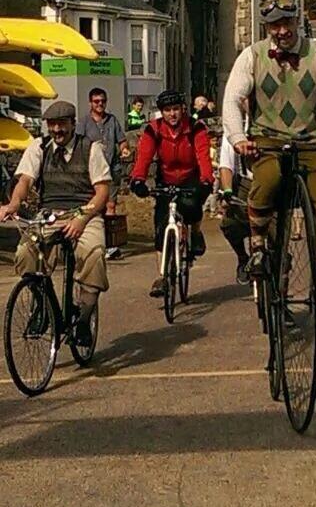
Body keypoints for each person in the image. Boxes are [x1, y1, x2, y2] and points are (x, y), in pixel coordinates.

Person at [223, 0, 316, 325]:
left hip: (311, 143)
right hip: (267, 142)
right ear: (266, 27)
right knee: (265, 184)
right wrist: (238, 139)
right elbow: (232, 99)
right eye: (274, 25)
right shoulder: (251, 56)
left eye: (286, 23)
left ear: (296, 22)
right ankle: (257, 250)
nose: (281, 30)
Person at [0, 101, 111, 347]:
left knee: (93, 253)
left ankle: (83, 320)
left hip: (84, 210)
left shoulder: (91, 148)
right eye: (52, 124)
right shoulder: (38, 147)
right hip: (49, 214)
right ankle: (44, 306)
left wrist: (82, 218)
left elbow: (102, 192)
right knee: (26, 252)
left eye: (62, 124)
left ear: (73, 123)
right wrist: (14, 204)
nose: (57, 130)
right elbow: (25, 181)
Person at [129, 90, 214, 297]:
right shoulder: (154, 129)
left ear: (183, 109)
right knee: (160, 223)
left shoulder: (195, 128)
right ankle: (162, 276)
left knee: (192, 207)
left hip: (190, 177)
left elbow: (203, 157)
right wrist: (138, 179)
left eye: (176, 109)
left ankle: (195, 233)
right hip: (165, 179)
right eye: (167, 110)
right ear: (162, 112)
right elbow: (144, 157)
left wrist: (206, 180)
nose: (172, 114)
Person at [77, 87, 130, 259]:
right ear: (90, 103)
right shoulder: (84, 123)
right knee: (93, 206)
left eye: (103, 101)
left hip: (111, 170)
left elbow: (122, 140)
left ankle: (109, 245)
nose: (100, 104)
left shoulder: (112, 120)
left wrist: (124, 149)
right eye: (96, 101)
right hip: (91, 173)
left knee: (110, 206)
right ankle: (91, 243)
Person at [219, 134, 252, 285]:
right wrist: (227, 190)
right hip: (246, 182)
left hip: (273, 183)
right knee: (229, 224)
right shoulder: (233, 128)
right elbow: (226, 165)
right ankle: (242, 257)